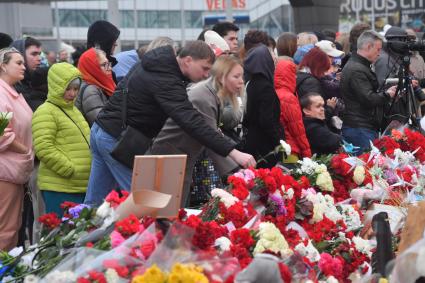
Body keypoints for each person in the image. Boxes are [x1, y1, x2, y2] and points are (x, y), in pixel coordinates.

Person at [84, 41, 255, 206]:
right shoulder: (165, 77)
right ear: (188, 61)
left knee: (94, 204)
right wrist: (233, 152)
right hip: (115, 139)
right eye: (204, 68)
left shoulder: (160, 67)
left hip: (104, 131)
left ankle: (78, 232)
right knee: (146, 205)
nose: (206, 75)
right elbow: (190, 119)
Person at [148, 55, 245, 207]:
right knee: (164, 212)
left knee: (170, 211)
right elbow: (210, 138)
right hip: (170, 157)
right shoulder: (203, 96)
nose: (241, 81)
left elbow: (213, 133)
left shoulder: (210, 93)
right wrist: (236, 171)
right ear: (221, 77)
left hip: (178, 156)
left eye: (242, 76)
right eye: (236, 76)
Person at [32, 62, 91, 215]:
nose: (72, 93)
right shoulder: (46, 111)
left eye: (76, 89)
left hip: (77, 185)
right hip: (60, 186)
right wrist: (69, 169)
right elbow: (43, 147)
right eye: (68, 89)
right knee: (61, 233)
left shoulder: (73, 110)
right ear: (56, 86)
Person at [341, 30, 397, 154]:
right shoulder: (357, 69)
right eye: (378, 49)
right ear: (368, 47)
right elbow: (368, 99)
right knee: (366, 167)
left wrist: (386, 93)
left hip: (362, 126)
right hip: (359, 128)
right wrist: (387, 95)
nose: (379, 53)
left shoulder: (360, 65)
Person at [0, 47, 34, 251]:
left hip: (13, 171)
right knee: (6, 230)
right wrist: (24, 150)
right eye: (18, 63)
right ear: (3, 65)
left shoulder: (9, 92)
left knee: (10, 228)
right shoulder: (1, 94)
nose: (24, 67)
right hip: (6, 172)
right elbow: (1, 133)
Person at [243, 44, 282, 168]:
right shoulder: (265, 86)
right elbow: (267, 120)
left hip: (253, 139)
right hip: (265, 144)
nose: (274, 62)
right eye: (272, 59)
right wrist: (279, 142)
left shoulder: (251, 83)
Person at [274, 59, 311, 166]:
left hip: (279, 147)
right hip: (291, 150)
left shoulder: (274, 92)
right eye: (293, 73)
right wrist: (307, 155)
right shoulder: (288, 97)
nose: (295, 77)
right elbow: (297, 129)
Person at [76, 48, 116, 126]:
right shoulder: (91, 90)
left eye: (108, 64)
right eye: (104, 65)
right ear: (91, 67)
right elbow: (102, 124)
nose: (109, 68)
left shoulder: (101, 85)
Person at [11, 37, 42, 111]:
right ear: (20, 55)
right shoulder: (10, 86)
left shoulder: (36, 80)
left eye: (39, 54)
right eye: (34, 54)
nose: (39, 58)